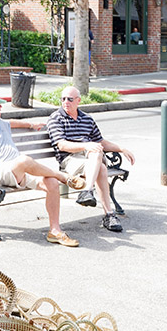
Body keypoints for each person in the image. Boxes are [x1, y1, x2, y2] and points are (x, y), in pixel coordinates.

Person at [0, 92, 86, 247]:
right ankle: (63, 176)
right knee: (25, 160)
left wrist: (30, 125)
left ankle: (55, 231)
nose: (1, 107)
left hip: (20, 170)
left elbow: (12, 123)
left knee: (51, 183)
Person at [46, 86, 135, 233]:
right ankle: (108, 214)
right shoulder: (56, 118)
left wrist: (121, 149)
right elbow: (62, 145)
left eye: (69, 99)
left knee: (97, 153)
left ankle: (87, 191)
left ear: (78, 101)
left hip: (91, 157)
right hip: (69, 160)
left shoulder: (87, 119)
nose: (65, 102)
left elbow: (101, 141)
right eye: (63, 99)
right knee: (101, 167)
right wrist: (86, 145)